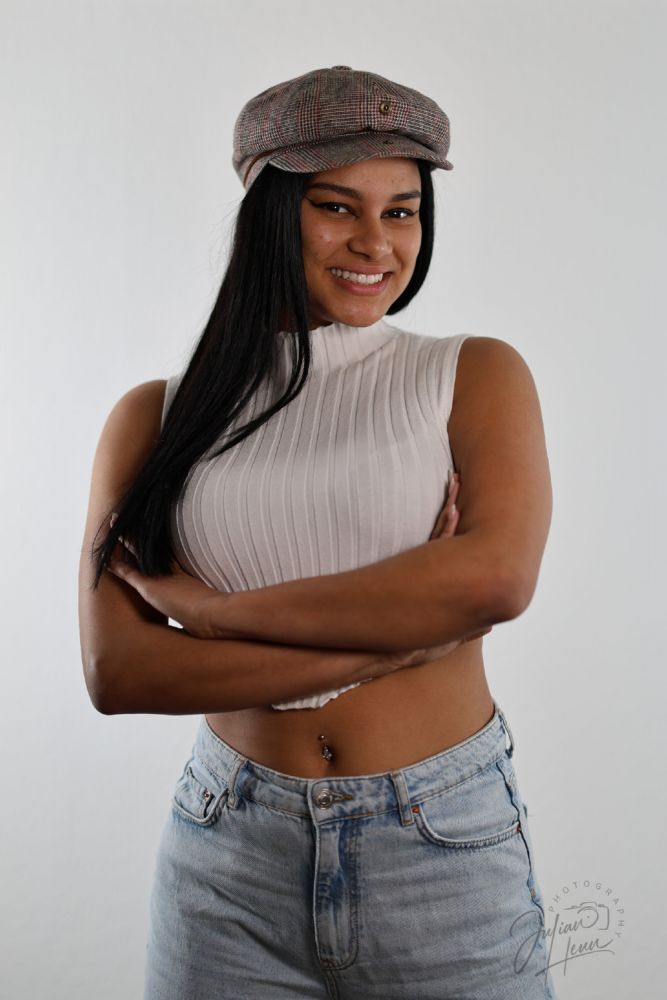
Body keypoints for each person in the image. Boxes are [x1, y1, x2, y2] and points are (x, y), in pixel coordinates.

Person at [78, 66, 556, 999]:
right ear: (270, 214)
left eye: (402, 211)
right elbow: (119, 672)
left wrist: (216, 618)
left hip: (438, 840)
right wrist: (392, 646)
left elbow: (493, 581)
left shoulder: (473, 375)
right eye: (337, 207)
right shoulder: (156, 419)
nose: (376, 243)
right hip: (226, 855)